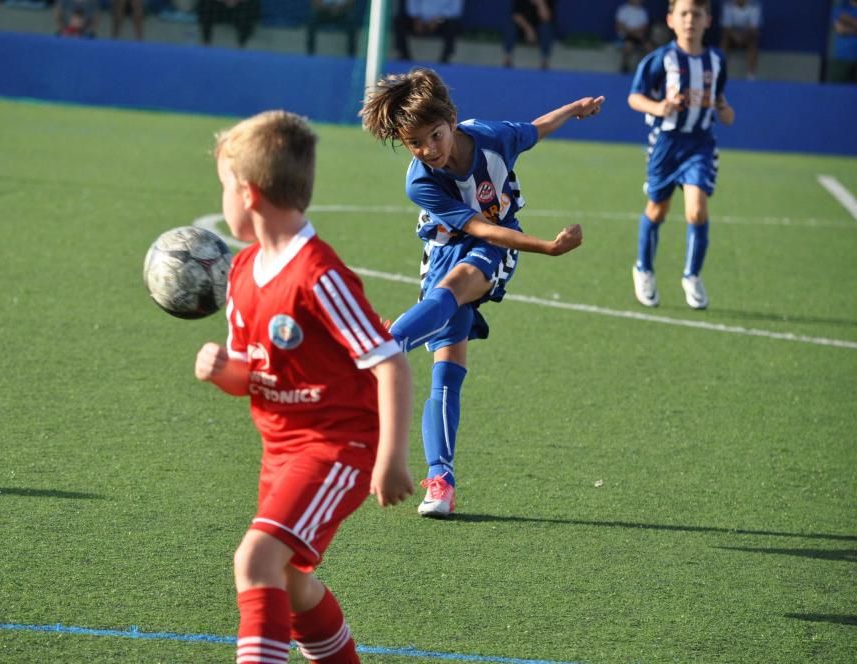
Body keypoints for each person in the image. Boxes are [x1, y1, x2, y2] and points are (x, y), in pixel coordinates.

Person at [196, 110, 414, 662]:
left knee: (254, 561)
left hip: (339, 447)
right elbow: (253, 376)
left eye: (223, 185)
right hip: (282, 451)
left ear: (246, 194)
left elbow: (390, 363)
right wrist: (223, 371)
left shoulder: (319, 275)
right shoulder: (243, 271)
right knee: (290, 583)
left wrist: (390, 459)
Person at [360, 67, 602, 517]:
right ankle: (442, 480)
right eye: (416, 143)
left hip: (497, 241)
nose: (429, 150)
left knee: (454, 289)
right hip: (443, 247)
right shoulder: (420, 181)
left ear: (452, 119)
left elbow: (536, 131)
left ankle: (380, 350)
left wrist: (574, 109)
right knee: (446, 370)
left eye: (435, 135)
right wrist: (549, 248)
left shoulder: (491, 137)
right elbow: (468, 224)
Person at [628, 0, 736, 310]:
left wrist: (725, 111)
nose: (690, 20)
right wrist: (659, 107)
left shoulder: (717, 60)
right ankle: (644, 269)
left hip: (700, 144)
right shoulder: (661, 59)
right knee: (658, 210)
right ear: (671, 20)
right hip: (666, 143)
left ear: (708, 20)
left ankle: (692, 275)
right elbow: (635, 97)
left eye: (697, 14)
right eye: (684, 14)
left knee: (697, 211)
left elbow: (721, 102)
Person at [393, 0, 464, 64]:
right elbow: (412, 4)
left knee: (452, 25)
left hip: (441, 22)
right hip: (418, 21)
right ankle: (404, 55)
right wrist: (416, 19)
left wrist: (437, 19)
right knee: (399, 21)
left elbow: (455, 11)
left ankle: (445, 58)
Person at [502, 0, 556, 69]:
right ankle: (507, 58)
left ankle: (544, 61)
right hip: (523, 27)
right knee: (510, 26)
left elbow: (546, 18)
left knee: (547, 28)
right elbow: (516, 15)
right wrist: (528, 30)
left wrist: (541, 4)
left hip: (539, 29)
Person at [719, 0, 762, 79]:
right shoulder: (728, 6)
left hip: (747, 36)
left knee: (753, 42)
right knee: (724, 41)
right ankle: (721, 72)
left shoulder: (754, 6)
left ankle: (751, 75)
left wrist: (743, 36)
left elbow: (754, 29)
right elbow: (726, 28)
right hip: (732, 37)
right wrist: (735, 36)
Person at [616, 0, 652, 73]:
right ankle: (624, 65)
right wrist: (632, 32)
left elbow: (644, 27)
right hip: (627, 36)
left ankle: (647, 67)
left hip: (639, 36)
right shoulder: (623, 10)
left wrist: (638, 33)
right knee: (628, 46)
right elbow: (619, 25)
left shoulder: (642, 12)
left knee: (649, 47)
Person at [829, 0, 857, 83]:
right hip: (842, 58)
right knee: (838, 92)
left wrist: (848, 21)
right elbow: (840, 30)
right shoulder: (841, 6)